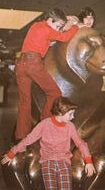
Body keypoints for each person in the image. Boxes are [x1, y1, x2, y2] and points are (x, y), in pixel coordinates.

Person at [15, 8, 83, 141]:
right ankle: (44, 126)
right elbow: (64, 37)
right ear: (50, 20)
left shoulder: (36, 26)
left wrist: (65, 20)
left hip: (20, 64)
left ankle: (21, 136)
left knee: (24, 102)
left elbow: (50, 40)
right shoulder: (47, 28)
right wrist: (75, 27)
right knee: (54, 93)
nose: (57, 29)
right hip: (33, 63)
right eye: (57, 26)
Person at [1, 96, 96, 190]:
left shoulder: (70, 126)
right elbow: (28, 139)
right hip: (48, 162)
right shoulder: (44, 124)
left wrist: (88, 161)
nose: (73, 117)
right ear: (59, 113)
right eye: (70, 114)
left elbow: (80, 143)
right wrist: (12, 152)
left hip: (64, 162)